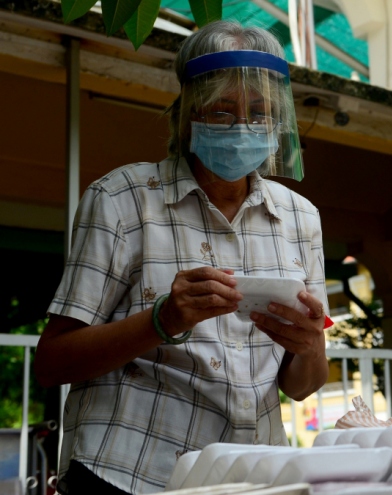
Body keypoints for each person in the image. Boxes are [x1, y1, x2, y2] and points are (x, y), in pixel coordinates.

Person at [35, 21, 330, 494]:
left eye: (260, 112)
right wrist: (162, 318)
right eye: (223, 109)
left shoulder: (300, 217)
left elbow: (301, 385)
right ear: (189, 114)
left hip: (249, 476)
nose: (243, 126)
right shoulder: (122, 198)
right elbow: (52, 364)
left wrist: (310, 345)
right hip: (128, 475)